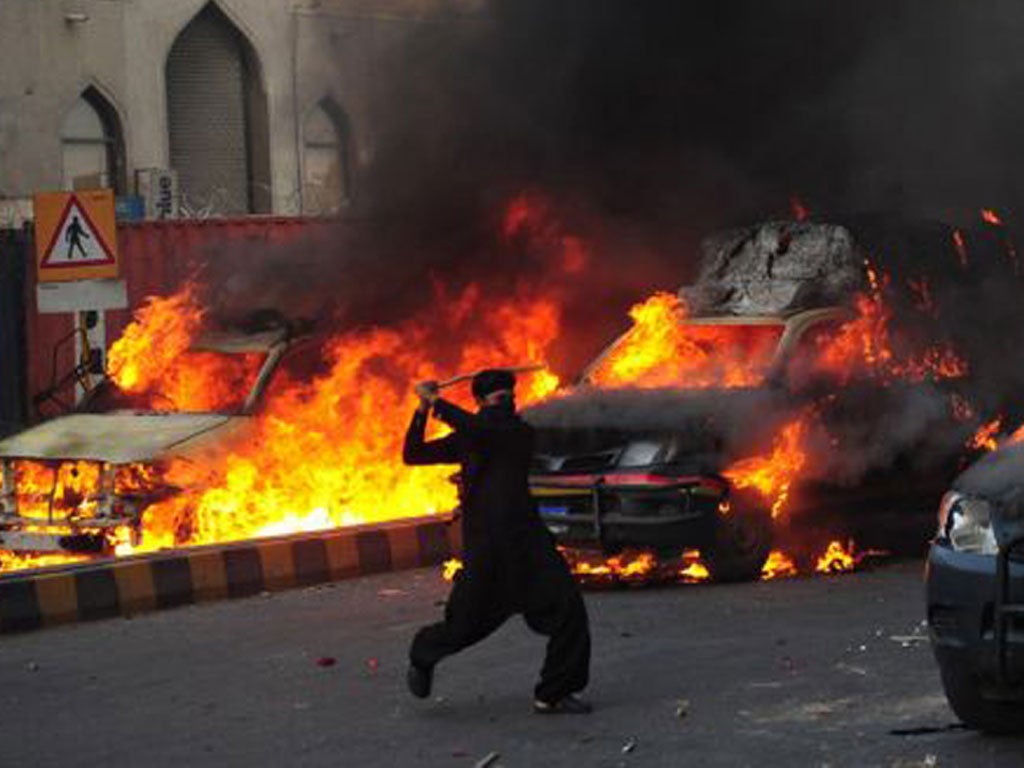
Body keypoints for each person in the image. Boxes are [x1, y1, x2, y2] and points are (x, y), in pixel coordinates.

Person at [403, 369, 592, 714]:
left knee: (569, 611)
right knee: (464, 626)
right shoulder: (469, 437)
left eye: (510, 396)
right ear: (479, 402)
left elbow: (484, 430)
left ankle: (553, 693)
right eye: (499, 398)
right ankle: (422, 655)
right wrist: (421, 411)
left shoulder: (517, 433)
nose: (507, 403)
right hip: (487, 551)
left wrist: (437, 403)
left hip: (528, 546)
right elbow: (413, 454)